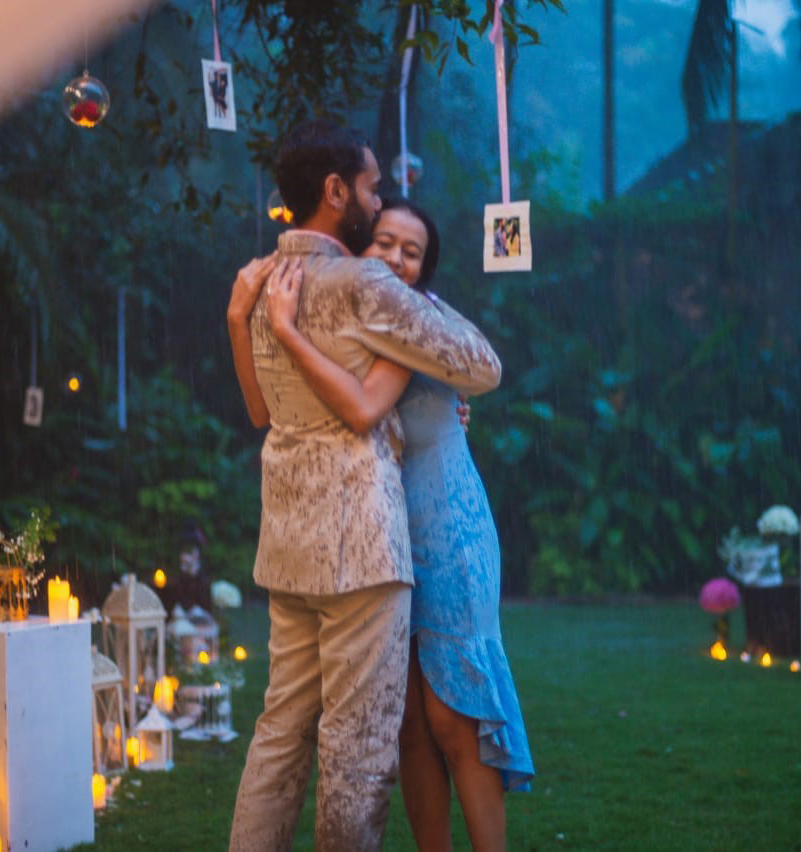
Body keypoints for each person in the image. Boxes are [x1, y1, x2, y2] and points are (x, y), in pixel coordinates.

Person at [225, 121, 502, 852]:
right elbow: (481, 366)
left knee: (279, 736)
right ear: (336, 190)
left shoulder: (261, 281)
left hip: (287, 545)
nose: (379, 203)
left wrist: (239, 321)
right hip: (363, 550)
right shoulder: (364, 283)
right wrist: (418, 302)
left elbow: (259, 412)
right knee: (357, 754)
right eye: (373, 188)